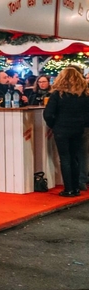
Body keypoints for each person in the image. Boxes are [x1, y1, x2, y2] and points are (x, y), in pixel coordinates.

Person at [43, 67, 89, 197]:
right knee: (74, 158)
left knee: (65, 158)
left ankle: (68, 189)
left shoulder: (57, 94)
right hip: (78, 129)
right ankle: (76, 187)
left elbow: (48, 114)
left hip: (61, 129)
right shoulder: (84, 94)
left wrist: (53, 125)